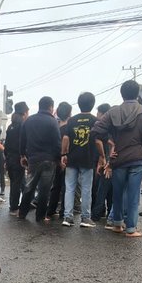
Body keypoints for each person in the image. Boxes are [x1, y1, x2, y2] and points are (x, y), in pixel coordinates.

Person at [94, 81, 142, 237]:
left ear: (121, 94)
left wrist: (111, 142)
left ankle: (117, 224)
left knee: (117, 192)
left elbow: (96, 130)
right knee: (133, 194)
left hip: (118, 158)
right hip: (138, 158)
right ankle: (131, 228)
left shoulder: (112, 112)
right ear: (137, 94)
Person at [18, 96, 61, 222]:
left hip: (33, 160)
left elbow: (22, 141)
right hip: (49, 160)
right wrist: (59, 159)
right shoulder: (53, 122)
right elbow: (57, 143)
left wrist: (22, 155)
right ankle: (40, 216)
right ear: (51, 107)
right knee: (44, 190)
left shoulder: (29, 120)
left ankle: (22, 212)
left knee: (29, 186)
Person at [60, 93, 98, 227]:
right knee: (86, 188)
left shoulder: (72, 120)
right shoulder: (95, 120)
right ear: (92, 104)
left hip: (72, 158)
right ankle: (85, 218)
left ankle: (67, 217)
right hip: (88, 159)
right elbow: (98, 140)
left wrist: (63, 154)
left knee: (70, 188)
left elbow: (65, 139)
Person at [48, 101, 72, 219]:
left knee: (56, 186)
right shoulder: (69, 128)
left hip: (55, 159)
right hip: (66, 159)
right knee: (66, 187)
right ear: (69, 113)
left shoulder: (55, 128)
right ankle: (63, 211)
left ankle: (51, 210)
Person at [4, 102, 28, 215]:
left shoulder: (10, 126)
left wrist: (6, 159)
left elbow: (6, 144)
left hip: (10, 158)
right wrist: (24, 156)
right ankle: (14, 207)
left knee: (18, 181)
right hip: (18, 158)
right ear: (24, 112)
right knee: (16, 183)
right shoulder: (23, 125)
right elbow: (24, 143)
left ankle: (27, 202)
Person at [91, 103, 113, 222]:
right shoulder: (113, 127)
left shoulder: (102, 128)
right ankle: (110, 213)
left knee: (100, 190)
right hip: (111, 162)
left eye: (98, 113)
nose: (97, 115)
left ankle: (96, 214)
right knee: (110, 190)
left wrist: (103, 158)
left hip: (104, 161)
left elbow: (100, 143)